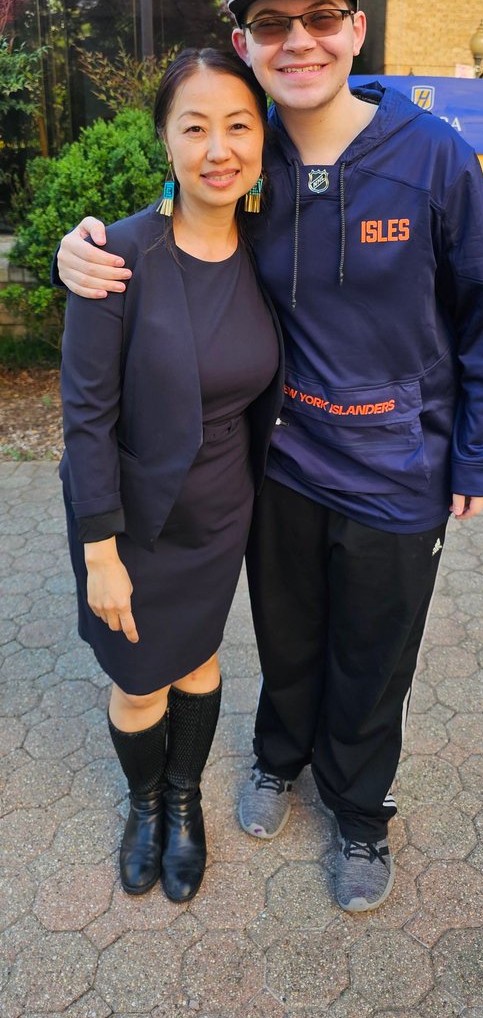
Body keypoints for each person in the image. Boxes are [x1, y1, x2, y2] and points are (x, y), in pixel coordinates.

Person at [56, 0, 483, 914]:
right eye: (272, 22)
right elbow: (188, 195)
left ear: (354, 29)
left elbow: (482, 306)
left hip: (398, 470)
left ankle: (356, 814)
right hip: (286, 470)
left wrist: (476, 448)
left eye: (319, 17)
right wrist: (82, 249)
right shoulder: (257, 150)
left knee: (372, 659)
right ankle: (270, 764)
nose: (297, 38)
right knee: (289, 641)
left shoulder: (429, 155)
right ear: (246, 40)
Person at [59, 47, 282, 904]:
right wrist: (100, 552)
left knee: (197, 662)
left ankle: (183, 799)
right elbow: (87, 418)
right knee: (136, 677)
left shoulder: (273, 250)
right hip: (130, 521)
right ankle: (142, 799)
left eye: (238, 125)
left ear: (262, 139)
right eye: (195, 127)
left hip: (222, 512)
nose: (217, 147)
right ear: (165, 141)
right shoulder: (116, 255)